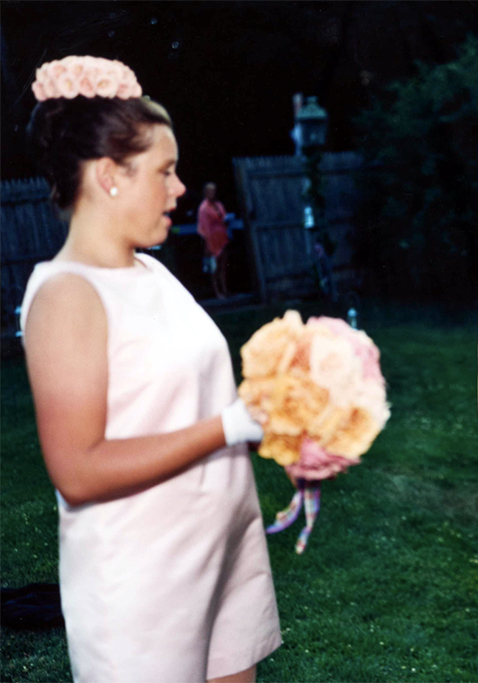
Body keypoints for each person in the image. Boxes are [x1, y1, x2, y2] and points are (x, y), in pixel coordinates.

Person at [21, 55, 281, 682]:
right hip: (142, 582)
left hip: (222, 549)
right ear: (111, 175)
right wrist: (230, 425)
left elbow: (189, 398)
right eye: (164, 172)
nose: (180, 189)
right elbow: (77, 470)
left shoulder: (154, 272)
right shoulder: (67, 294)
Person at [197, 181, 230, 299]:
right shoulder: (203, 208)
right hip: (211, 241)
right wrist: (207, 245)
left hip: (222, 238)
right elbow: (203, 228)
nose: (212, 193)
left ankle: (225, 289)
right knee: (214, 269)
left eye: (214, 191)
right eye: (210, 191)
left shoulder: (219, 205)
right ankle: (217, 292)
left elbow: (224, 217)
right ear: (205, 193)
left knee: (222, 267)